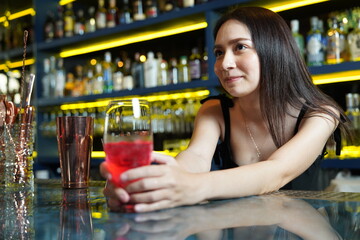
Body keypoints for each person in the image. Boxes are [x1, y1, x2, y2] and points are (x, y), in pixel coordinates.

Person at [100, 6, 351, 213]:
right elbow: (196, 158)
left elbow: (277, 172)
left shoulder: (321, 114)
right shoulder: (214, 110)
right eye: (219, 52)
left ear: (273, 50)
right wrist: (150, 184)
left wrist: (189, 187)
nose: (224, 64)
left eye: (240, 47)